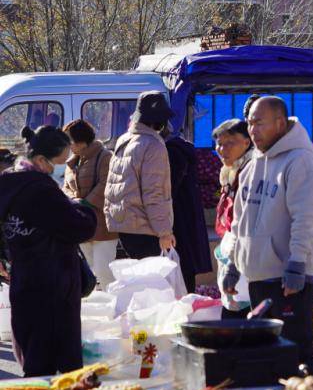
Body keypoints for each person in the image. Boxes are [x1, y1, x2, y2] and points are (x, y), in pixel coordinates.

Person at [223, 96, 313, 372]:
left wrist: (297, 263)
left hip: (289, 281)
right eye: (249, 124)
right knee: (267, 355)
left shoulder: (301, 162)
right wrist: (233, 263)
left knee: (296, 355)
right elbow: (239, 219)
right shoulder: (252, 166)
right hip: (258, 278)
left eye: (259, 123)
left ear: (280, 123)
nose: (252, 130)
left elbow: (307, 218)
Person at [0, 126, 97, 376]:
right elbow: (80, 228)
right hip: (52, 288)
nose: (61, 169)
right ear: (42, 160)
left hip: (24, 282)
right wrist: (81, 206)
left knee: (34, 358)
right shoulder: (39, 191)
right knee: (54, 369)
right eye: (60, 162)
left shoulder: (9, 184)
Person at [104, 91, 175, 259]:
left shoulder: (124, 139)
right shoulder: (153, 145)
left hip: (124, 225)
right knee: (153, 282)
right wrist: (164, 232)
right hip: (145, 227)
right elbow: (154, 193)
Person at [62, 119, 118, 289]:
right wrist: (73, 202)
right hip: (81, 225)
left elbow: (106, 184)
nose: (67, 146)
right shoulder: (73, 162)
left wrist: (84, 203)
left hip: (103, 226)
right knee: (89, 275)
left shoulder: (105, 156)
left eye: (69, 141)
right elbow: (66, 186)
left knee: (104, 272)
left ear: (81, 141)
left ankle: (115, 308)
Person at [212, 118, 254, 318]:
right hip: (235, 250)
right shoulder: (229, 171)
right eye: (219, 143)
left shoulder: (252, 171)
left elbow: (246, 221)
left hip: (248, 256)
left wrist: (233, 263)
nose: (222, 149)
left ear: (247, 142)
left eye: (230, 143)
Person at [163, 127, 211, 294]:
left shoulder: (171, 152)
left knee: (182, 266)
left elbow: (169, 188)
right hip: (186, 215)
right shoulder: (180, 149)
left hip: (178, 216)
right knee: (185, 266)